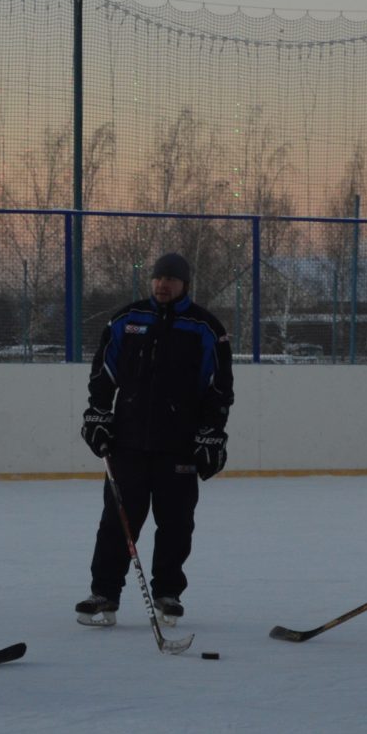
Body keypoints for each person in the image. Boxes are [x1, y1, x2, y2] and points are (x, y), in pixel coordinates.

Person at [76, 250, 234, 626]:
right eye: (158, 278)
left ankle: (168, 593)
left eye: (171, 279)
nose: (162, 284)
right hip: (127, 443)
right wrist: (99, 415)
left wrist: (211, 434)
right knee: (117, 520)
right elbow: (103, 376)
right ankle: (104, 594)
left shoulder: (205, 328)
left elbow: (219, 388)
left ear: (185, 284)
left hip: (178, 444)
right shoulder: (127, 320)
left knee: (176, 522)